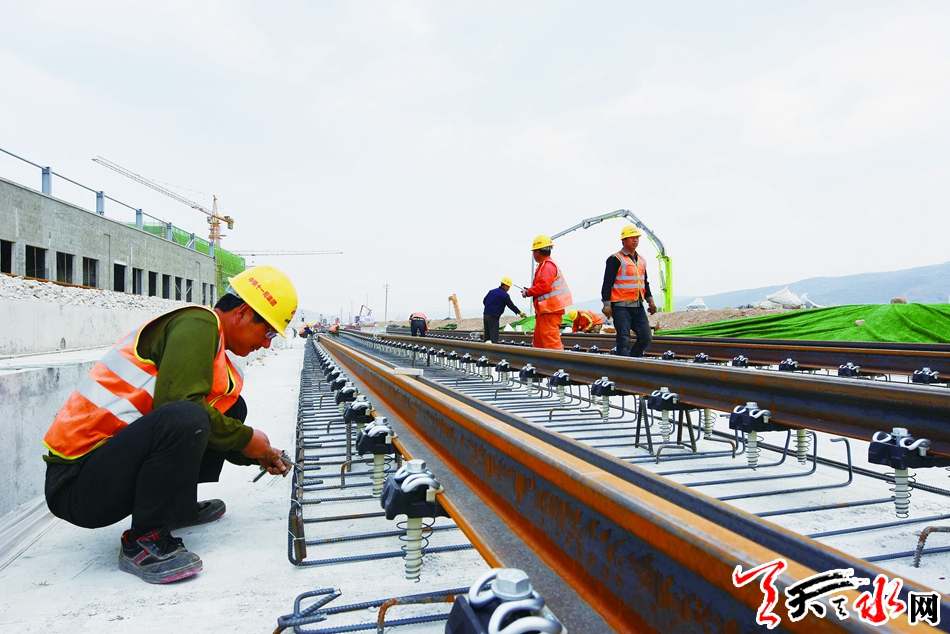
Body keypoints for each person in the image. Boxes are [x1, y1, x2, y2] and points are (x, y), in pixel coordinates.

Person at [42, 265, 297, 584]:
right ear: (243, 312)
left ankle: (174, 508)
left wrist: (258, 452)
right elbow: (179, 409)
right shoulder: (198, 323)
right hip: (77, 485)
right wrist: (246, 438)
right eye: (269, 332)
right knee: (187, 414)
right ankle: (144, 541)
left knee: (231, 408)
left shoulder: (214, 344)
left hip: (106, 471)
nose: (267, 344)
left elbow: (205, 427)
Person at [602, 225, 657, 357]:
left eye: (637, 237)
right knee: (623, 340)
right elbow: (607, 283)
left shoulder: (641, 260)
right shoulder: (615, 259)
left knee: (646, 337)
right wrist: (607, 304)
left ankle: (632, 361)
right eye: (631, 237)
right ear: (623, 241)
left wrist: (650, 301)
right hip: (621, 307)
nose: (635, 240)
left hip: (638, 306)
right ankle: (624, 366)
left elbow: (644, 282)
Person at [522, 235, 572, 350]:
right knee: (539, 344)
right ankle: (541, 362)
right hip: (545, 312)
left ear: (537, 252)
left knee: (551, 344)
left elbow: (544, 286)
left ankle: (557, 362)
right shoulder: (545, 266)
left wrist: (528, 292)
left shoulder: (547, 266)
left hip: (550, 312)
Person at [482, 277, 526, 343]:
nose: (508, 289)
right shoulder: (505, 295)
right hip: (494, 316)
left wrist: (490, 307)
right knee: (494, 336)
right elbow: (511, 305)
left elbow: (484, 301)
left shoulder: (491, 292)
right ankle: (493, 348)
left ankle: (485, 348)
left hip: (486, 315)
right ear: (505, 286)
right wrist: (519, 312)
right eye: (508, 287)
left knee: (487, 335)